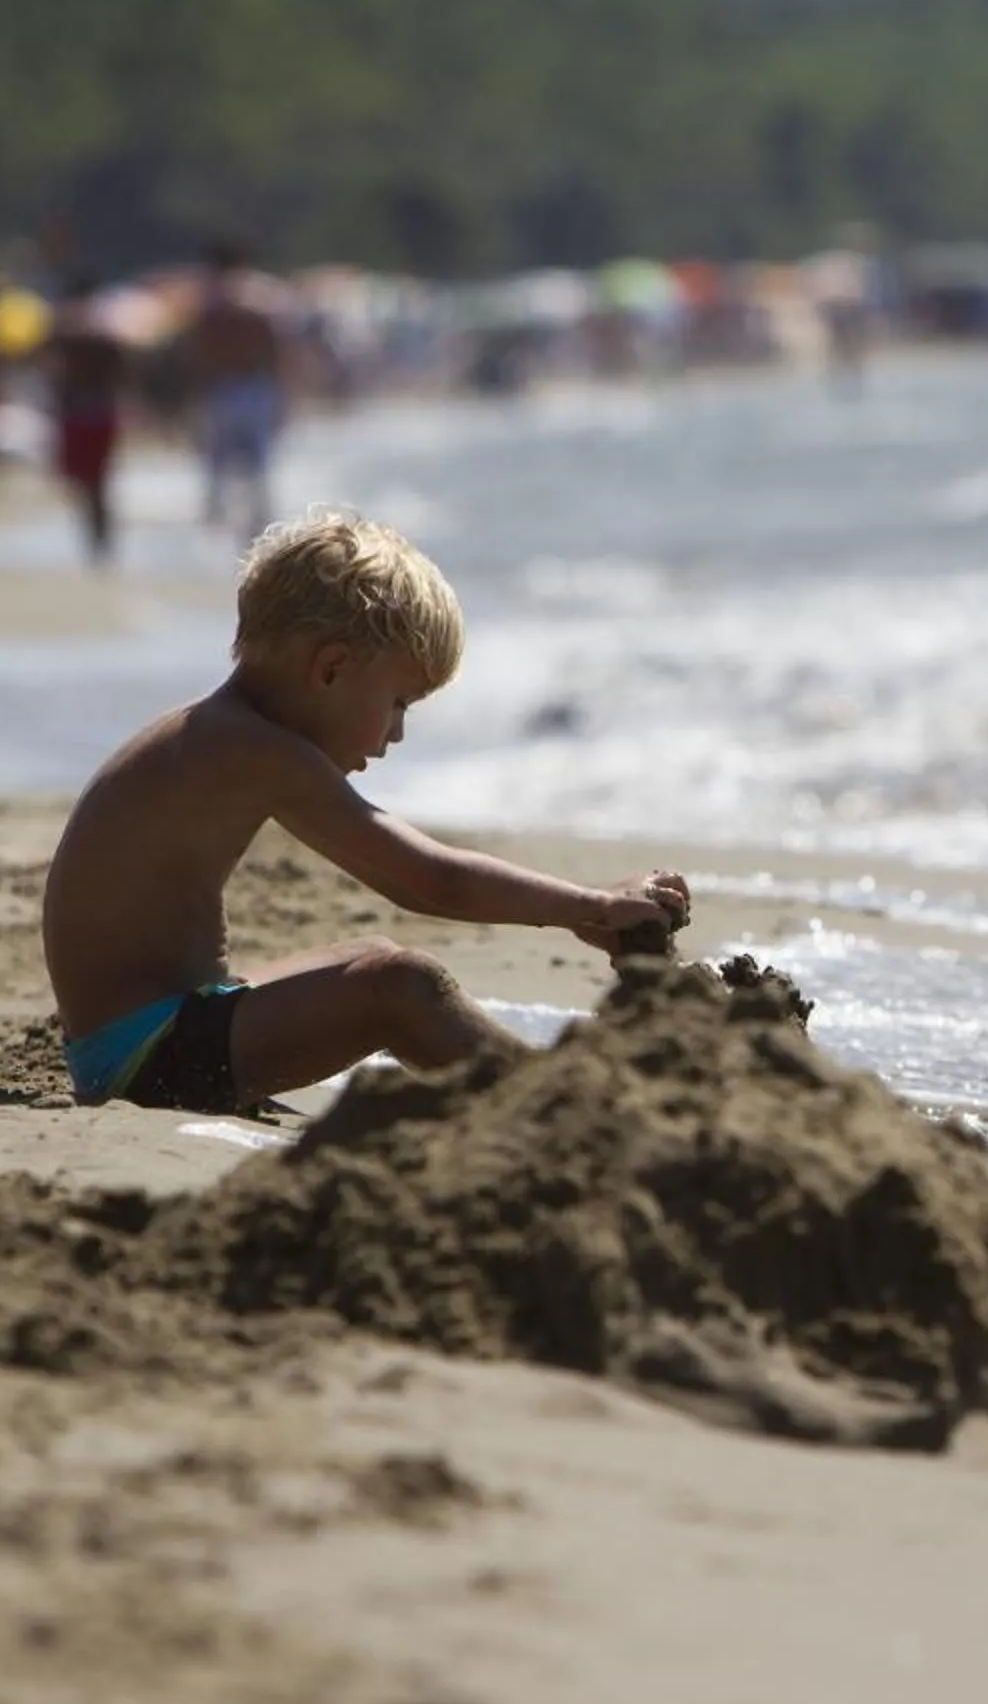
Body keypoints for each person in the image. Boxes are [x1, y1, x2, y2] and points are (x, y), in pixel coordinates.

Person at [42, 511, 689, 1114]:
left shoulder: (219, 732)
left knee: (370, 954)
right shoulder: (255, 751)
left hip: (154, 1030)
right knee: (399, 985)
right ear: (332, 669)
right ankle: (556, 1106)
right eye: (398, 702)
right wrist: (590, 908)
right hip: (147, 1059)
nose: (396, 734)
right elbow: (430, 879)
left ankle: (547, 1092)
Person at [188, 242, 286, 536]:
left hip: (222, 388)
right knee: (257, 462)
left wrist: (196, 397)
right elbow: (274, 351)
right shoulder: (259, 299)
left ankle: (218, 524)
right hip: (256, 386)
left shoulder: (211, 305)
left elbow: (201, 356)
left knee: (218, 462)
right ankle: (259, 524)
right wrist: (280, 393)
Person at [46, 276, 131, 566]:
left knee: (83, 479)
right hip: (99, 409)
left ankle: (97, 536)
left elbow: (51, 369)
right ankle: (100, 536)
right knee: (97, 480)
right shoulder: (103, 331)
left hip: (76, 410)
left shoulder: (65, 330)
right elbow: (123, 371)